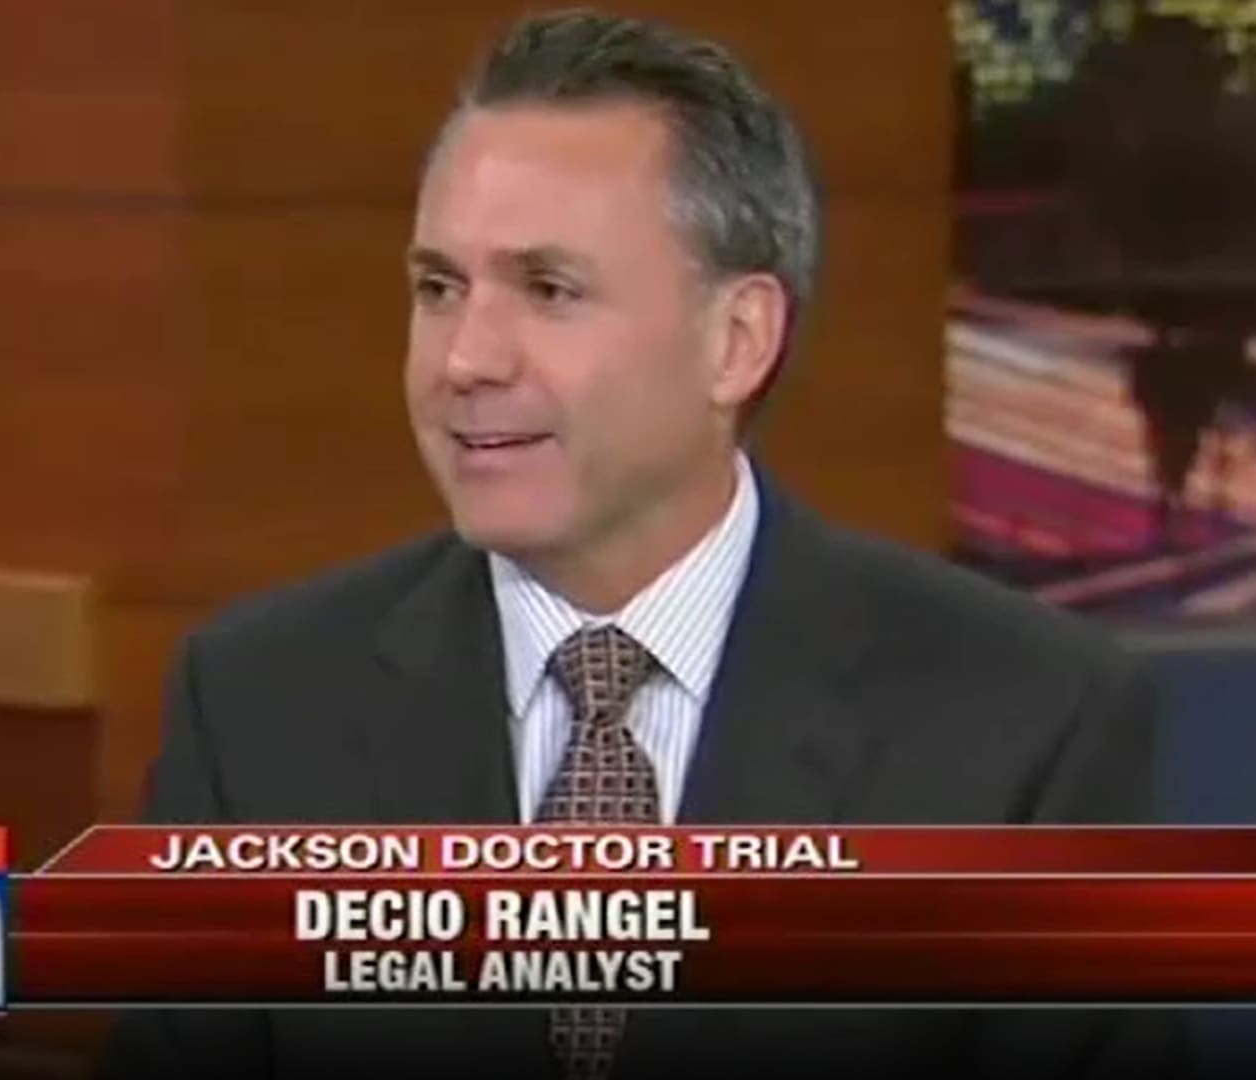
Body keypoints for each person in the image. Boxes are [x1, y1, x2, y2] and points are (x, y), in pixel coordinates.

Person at [101, 10, 1184, 1079]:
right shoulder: (257, 708)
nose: (466, 358)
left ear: (737, 341)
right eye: (439, 288)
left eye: (549, 289)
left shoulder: (1027, 728)